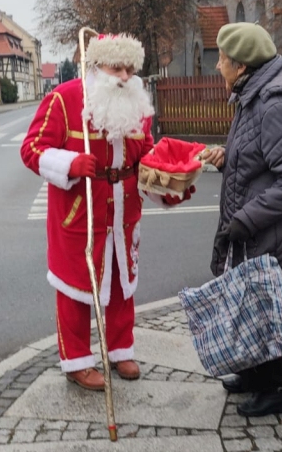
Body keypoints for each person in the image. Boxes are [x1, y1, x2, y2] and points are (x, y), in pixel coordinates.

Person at [20, 33, 191, 391]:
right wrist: (68, 163)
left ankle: (120, 349)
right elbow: (32, 148)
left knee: (120, 285)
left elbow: (144, 159)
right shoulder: (64, 100)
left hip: (123, 213)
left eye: (130, 69)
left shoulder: (136, 106)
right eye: (117, 68)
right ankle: (77, 360)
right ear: (97, 66)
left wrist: (168, 184)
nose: (126, 77)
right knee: (76, 289)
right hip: (79, 213)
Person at [204, 22, 282, 417]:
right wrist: (226, 157)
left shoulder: (275, 103)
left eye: (221, 59)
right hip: (257, 228)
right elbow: (260, 162)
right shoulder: (253, 96)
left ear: (241, 64)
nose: (217, 66)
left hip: (270, 229)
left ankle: (277, 390)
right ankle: (255, 376)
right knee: (253, 303)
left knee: (266, 308)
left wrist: (247, 218)